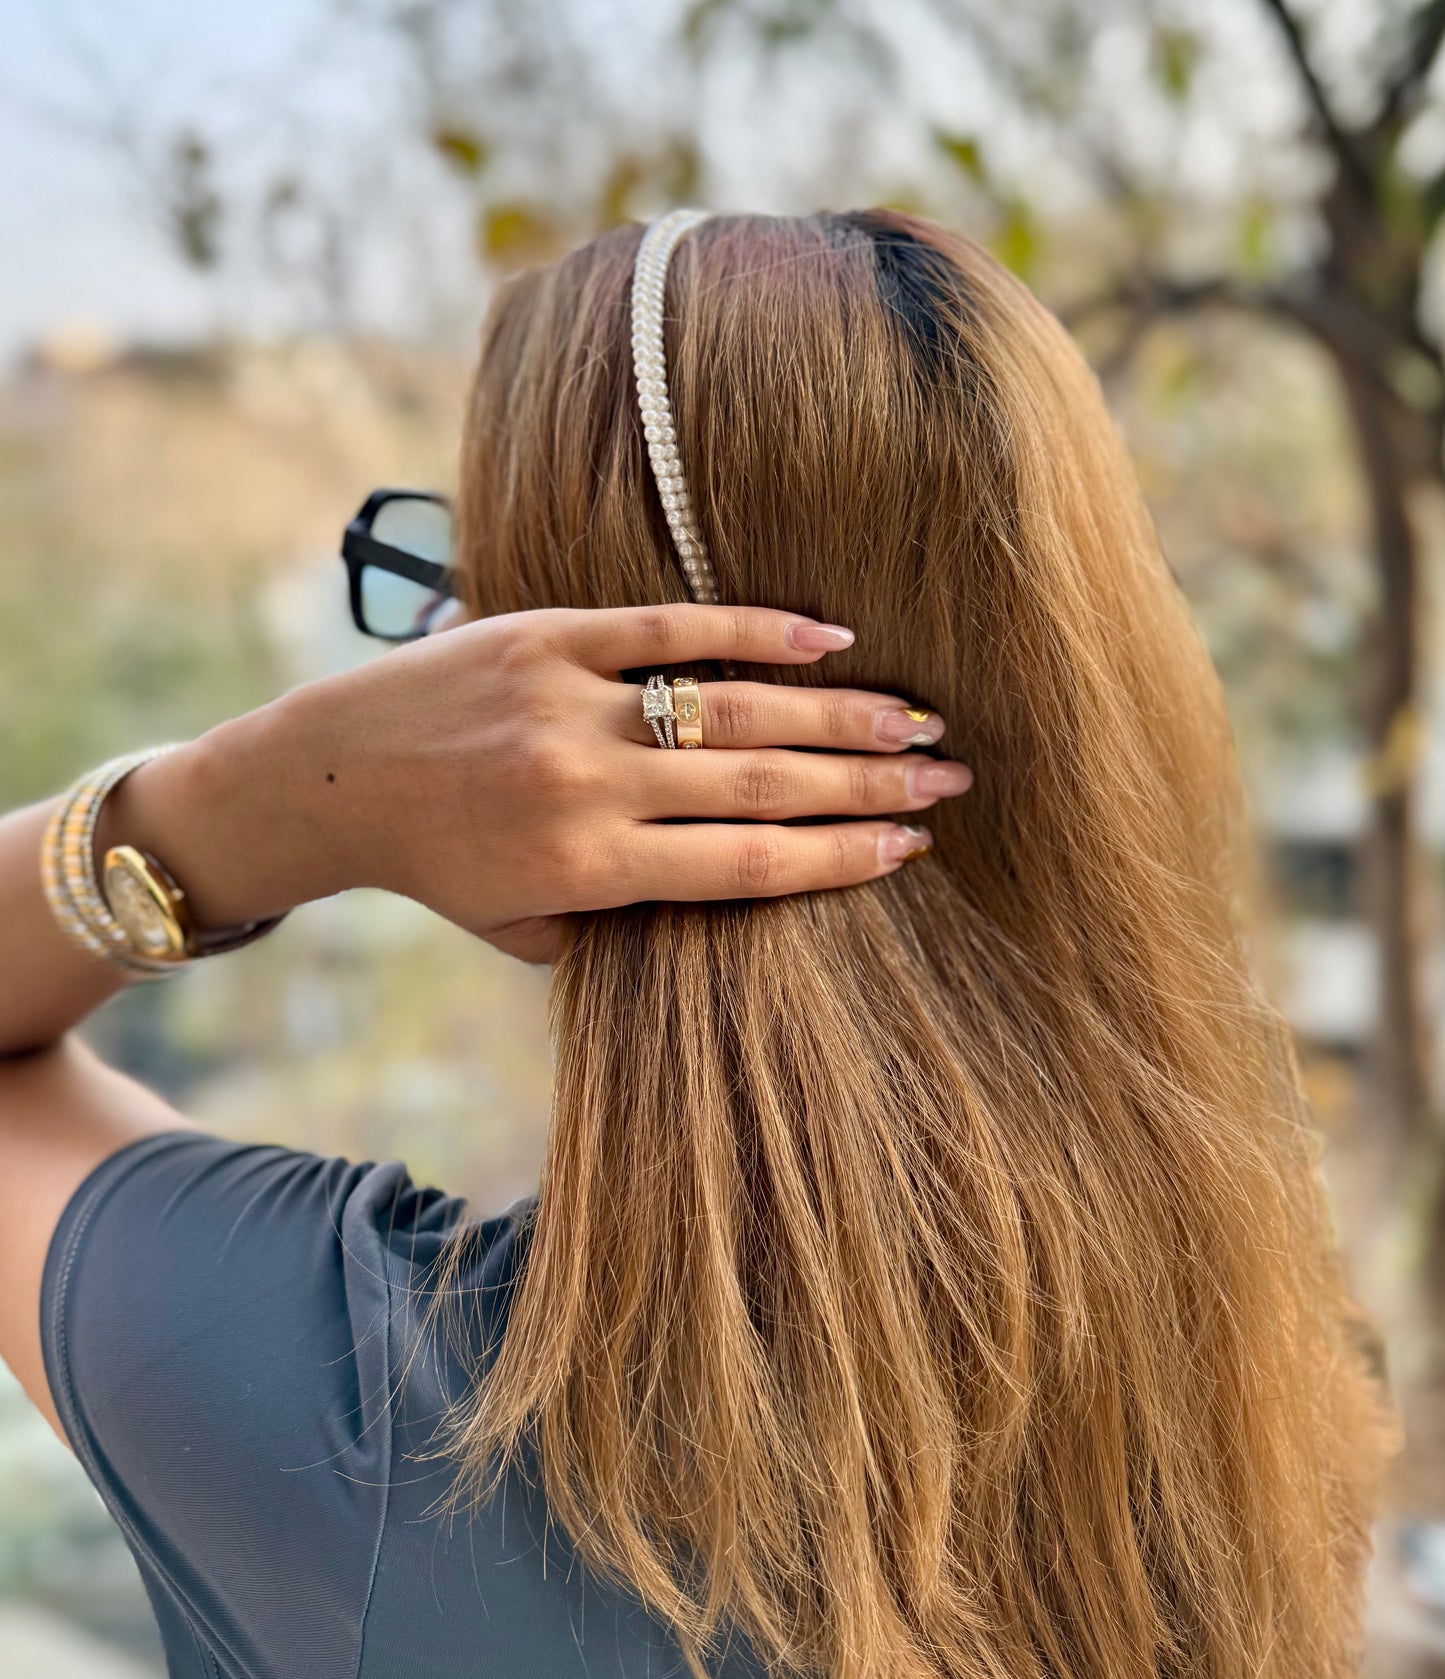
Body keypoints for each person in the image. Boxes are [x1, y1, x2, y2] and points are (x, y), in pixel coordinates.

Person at [0, 209, 1388, 1679]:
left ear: (531, 716)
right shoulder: (1263, 1360)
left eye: (467, 607)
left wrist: (254, 801)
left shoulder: (364, 1418)